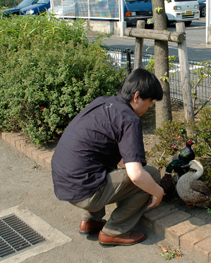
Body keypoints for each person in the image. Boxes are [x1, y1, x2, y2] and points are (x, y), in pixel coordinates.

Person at [51, 68, 165, 246]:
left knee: (104, 161)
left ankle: (90, 220)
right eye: (150, 101)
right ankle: (114, 231)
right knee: (151, 175)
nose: (150, 106)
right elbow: (136, 175)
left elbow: (112, 154)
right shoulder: (129, 119)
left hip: (63, 181)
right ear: (136, 97)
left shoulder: (103, 102)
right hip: (84, 191)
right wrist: (158, 191)